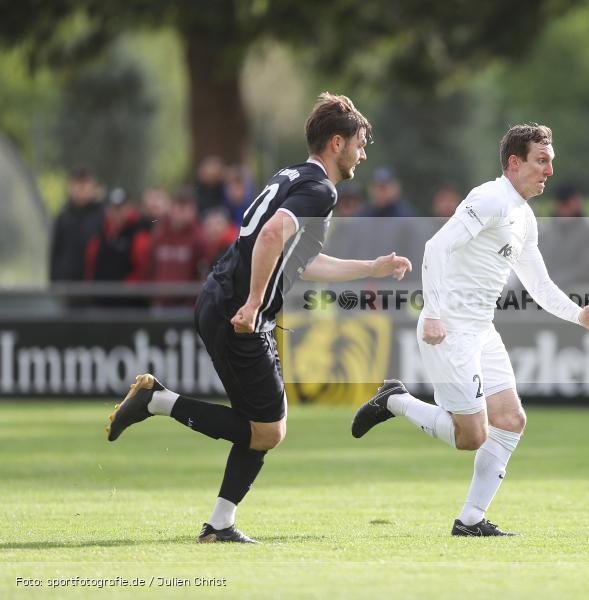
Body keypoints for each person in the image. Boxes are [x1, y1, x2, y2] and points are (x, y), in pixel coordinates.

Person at [106, 93, 412, 543]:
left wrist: (371, 268)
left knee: (262, 425)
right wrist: (252, 303)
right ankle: (157, 404)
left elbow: (303, 263)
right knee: (267, 429)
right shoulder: (320, 189)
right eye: (360, 144)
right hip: (237, 311)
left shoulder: (292, 175)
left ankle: (219, 524)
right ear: (336, 142)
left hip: (220, 298)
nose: (363, 154)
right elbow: (271, 236)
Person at [351, 124, 589, 536]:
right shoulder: (490, 198)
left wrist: (580, 316)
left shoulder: (523, 215)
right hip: (449, 327)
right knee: (471, 436)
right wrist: (433, 311)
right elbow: (435, 247)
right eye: (541, 161)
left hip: (481, 329)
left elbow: (539, 285)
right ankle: (395, 399)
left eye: (551, 162)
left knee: (510, 420)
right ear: (514, 162)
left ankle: (470, 520)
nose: (549, 171)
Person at [83, 188, 152, 306]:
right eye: (113, 208)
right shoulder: (100, 232)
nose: (116, 213)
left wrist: (125, 290)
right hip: (100, 302)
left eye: (120, 208)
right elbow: (91, 264)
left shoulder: (138, 234)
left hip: (128, 306)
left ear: (129, 207)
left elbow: (143, 270)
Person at [145, 188, 206, 306]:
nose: (182, 214)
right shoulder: (159, 233)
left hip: (186, 305)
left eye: (187, 209)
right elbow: (150, 267)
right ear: (172, 208)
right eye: (179, 208)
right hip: (159, 302)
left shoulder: (198, 238)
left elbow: (202, 272)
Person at [538, 183, 589, 287]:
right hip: (550, 293)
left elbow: (587, 269)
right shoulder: (547, 232)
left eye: (567, 203)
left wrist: (553, 280)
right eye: (562, 203)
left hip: (581, 292)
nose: (565, 208)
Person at [49, 167, 105, 282]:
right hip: (67, 283)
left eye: (85, 184)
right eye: (78, 184)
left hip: (95, 286)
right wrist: (54, 280)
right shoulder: (63, 217)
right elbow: (56, 253)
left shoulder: (103, 216)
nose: (81, 189)